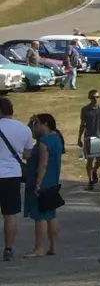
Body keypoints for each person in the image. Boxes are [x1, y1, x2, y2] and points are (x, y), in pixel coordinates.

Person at [23, 113, 62, 257]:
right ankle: (53, 246)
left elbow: (43, 164)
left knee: (39, 216)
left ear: (44, 124)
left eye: (36, 123)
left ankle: (39, 247)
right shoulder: (56, 138)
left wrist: (38, 183)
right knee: (51, 215)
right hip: (52, 181)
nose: (34, 127)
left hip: (42, 181)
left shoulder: (44, 142)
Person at [0, 98, 32, 261]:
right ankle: (8, 248)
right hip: (12, 174)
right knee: (10, 214)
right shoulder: (24, 129)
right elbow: (27, 154)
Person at [79, 90, 100, 190]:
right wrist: (79, 138)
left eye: (97, 97)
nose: (95, 99)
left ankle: (94, 170)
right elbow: (82, 124)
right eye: (93, 97)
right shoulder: (85, 110)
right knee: (90, 159)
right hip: (90, 137)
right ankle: (90, 181)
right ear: (89, 98)